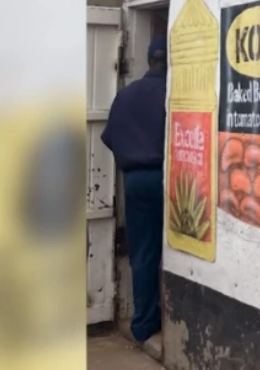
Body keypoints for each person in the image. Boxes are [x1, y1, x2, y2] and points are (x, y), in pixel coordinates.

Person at [101, 37, 167, 358]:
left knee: (143, 252)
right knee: (177, 251)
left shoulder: (125, 96)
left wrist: (134, 157)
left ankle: (143, 324)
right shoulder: (175, 95)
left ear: (148, 59)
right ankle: (168, 319)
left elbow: (109, 137)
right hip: (169, 178)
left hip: (135, 180)